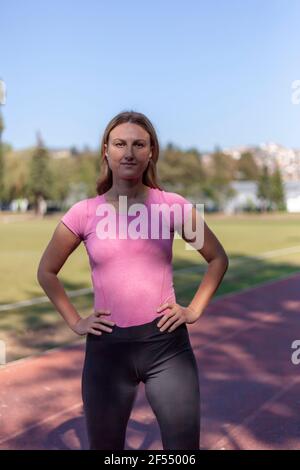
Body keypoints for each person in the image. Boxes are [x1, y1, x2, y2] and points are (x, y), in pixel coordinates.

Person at [37, 110, 229, 450]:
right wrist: (76, 321)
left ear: (151, 151)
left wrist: (194, 311)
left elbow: (217, 259)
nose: (129, 153)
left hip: (167, 347)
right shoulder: (83, 213)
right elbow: (47, 272)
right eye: (120, 144)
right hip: (107, 351)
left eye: (139, 144)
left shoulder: (173, 207)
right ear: (106, 152)